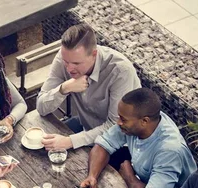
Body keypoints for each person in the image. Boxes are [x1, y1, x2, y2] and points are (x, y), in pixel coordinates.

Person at [80, 88, 198, 188]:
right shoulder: (136, 123)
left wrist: (128, 176)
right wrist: (92, 176)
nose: (119, 122)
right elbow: (103, 144)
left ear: (144, 121)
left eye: (123, 119)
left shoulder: (169, 150)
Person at [36, 23, 140, 151]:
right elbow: (41, 107)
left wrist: (70, 141)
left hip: (122, 144)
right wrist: (63, 89)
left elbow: (116, 127)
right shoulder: (65, 57)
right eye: (66, 62)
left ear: (94, 54)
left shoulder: (120, 71)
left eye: (76, 63)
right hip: (86, 128)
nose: (68, 68)